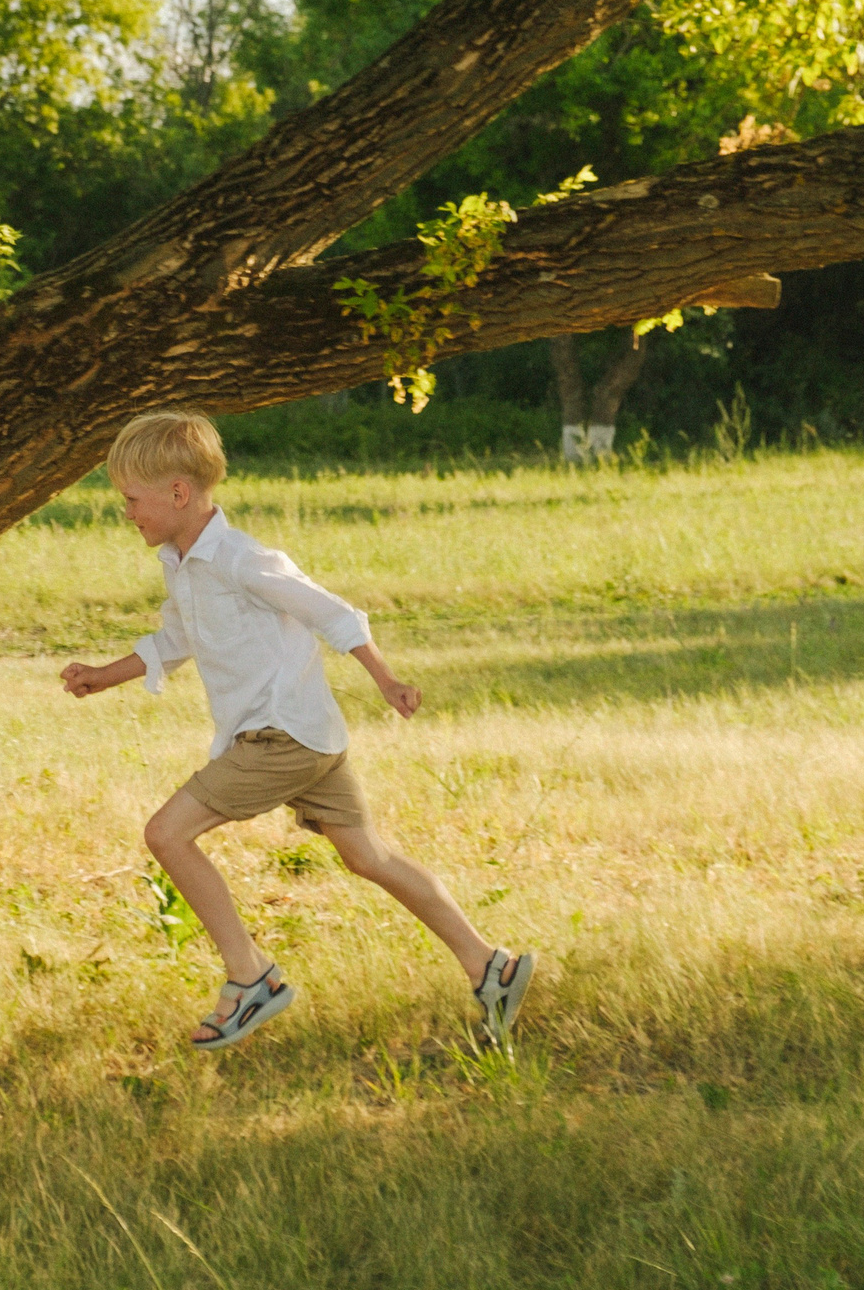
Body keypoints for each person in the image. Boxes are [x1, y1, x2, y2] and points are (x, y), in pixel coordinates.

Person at [58, 410, 532, 1050]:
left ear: (178, 493)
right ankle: (490, 966)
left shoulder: (243, 559)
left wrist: (387, 680)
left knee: (167, 834)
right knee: (369, 856)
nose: (126, 512)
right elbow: (175, 640)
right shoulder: (183, 561)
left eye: (131, 499)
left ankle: (251, 978)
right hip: (308, 735)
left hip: (278, 736)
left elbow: (329, 610)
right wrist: (102, 675)